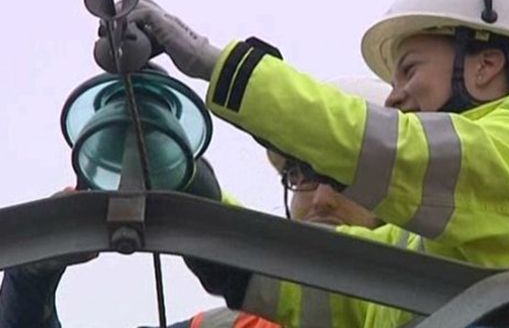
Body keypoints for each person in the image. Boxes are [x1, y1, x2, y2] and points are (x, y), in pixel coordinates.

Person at [120, 0, 509, 327]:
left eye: (410, 69)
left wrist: (211, 62)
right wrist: (193, 194)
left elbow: (387, 146)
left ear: (485, 66)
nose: (394, 96)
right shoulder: (440, 240)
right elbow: (332, 279)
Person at [0, 78, 419, 327]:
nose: (322, 200)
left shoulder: (436, 299)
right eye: (301, 178)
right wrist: (32, 277)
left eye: (347, 181)